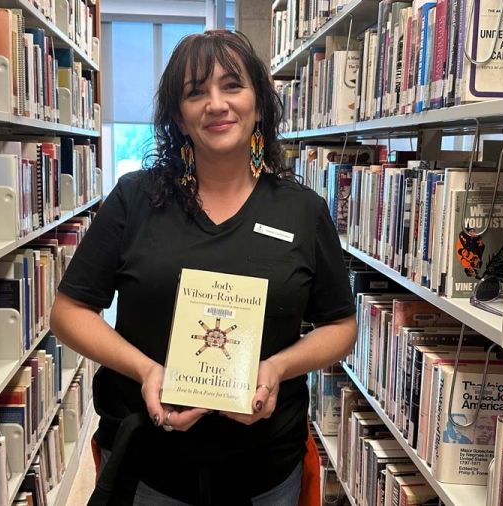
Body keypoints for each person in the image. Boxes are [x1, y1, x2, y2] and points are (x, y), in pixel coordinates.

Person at [50, 30, 357, 505]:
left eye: (232, 86)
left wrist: (277, 368)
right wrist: (147, 371)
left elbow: (340, 324)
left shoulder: (302, 211)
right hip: (148, 466)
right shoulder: (134, 198)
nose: (216, 104)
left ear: (259, 101)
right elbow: (69, 312)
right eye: (196, 92)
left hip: (266, 470)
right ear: (178, 114)